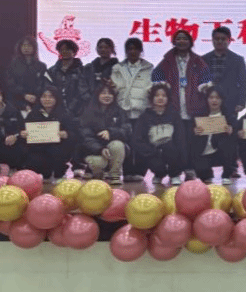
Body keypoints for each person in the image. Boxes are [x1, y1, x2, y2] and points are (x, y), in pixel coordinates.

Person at [111, 38, 154, 181]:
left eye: (136, 48)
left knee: (141, 143)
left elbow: (153, 88)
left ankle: (140, 172)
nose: (133, 51)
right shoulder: (117, 68)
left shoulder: (149, 68)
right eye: (129, 49)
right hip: (123, 112)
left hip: (142, 111)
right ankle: (127, 172)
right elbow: (114, 88)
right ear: (126, 51)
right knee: (125, 143)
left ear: (141, 51)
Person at [132, 85, 188, 187]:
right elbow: (138, 140)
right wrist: (153, 151)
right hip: (153, 151)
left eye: (164, 95)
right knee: (155, 162)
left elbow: (181, 139)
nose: (160, 98)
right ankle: (159, 174)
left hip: (171, 150)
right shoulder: (144, 117)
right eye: (157, 95)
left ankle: (175, 175)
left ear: (168, 98)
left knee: (170, 147)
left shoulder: (175, 116)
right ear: (152, 98)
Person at [152, 30, 213, 121]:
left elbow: (206, 79)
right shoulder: (168, 60)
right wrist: (164, 86)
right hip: (173, 108)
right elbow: (155, 76)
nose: (181, 41)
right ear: (174, 42)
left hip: (195, 108)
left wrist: (203, 87)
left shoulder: (198, 60)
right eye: (178, 39)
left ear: (190, 42)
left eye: (185, 39)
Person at [79, 83, 132, 185]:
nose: (107, 96)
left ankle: (115, 175)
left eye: (110, 93)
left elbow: (127, 131)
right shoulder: (88, 112)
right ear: (97, 95)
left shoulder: (120, 111)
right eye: (103, 93)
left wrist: (111, 132)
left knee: (118, 145)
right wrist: (100, 149)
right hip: (95, 151)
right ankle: (96, 172)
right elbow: (86, 137)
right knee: (98, 164)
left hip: (113, 148)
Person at [22, 86, 78, 181]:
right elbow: (23, 130)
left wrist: (66, 134)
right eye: (44, 96)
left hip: (58, 148)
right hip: (38, 149)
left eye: (51, 96)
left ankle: (59, 173)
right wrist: (23, 134)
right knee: (33, 160)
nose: (47, 99)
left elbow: (75, 134)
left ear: (56, 98)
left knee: (57, 153)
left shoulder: (65, 114)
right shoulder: (33, 114)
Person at [189, 87, 237, 185]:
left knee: (228, 144)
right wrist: (194, 131)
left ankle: (226, 174)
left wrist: (231, 131)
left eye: (217, 98)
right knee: (203, 175)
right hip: (204, 151)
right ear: (207, 99)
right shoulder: (198, 115)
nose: (214, 100)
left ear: (222, 100)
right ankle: (207, 173)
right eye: (211, 97)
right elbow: (189, 135)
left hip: (221, 152)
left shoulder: (229, 116)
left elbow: (237, 136)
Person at [203, 26, 246, 115]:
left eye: (223, 39)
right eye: (217, 39)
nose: (220, 41)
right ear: (212, 40)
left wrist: (241, 102)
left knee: (230, 124)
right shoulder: (204, 59)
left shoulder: (238, 60)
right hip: (208, 103)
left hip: (231, 103)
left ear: (229, 40)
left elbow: (243, 83)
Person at [44, 39, 88, 117]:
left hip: (78, 110)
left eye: (68, 49)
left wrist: (72, 108)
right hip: (56, 110)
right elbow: (48, 89)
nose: (64, 52)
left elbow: (83, 92)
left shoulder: (82, 71)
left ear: (74, 52)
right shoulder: (52, 71)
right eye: (62, 50)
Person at [5, 36, 47, 115]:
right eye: (24, 45)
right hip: (16, 101)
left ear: (34, 48)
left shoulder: (41, 66)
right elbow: (10, 84)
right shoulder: (13, 65)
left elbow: (43, 84)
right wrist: (24, 95)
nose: (26, 48)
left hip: (36, 101)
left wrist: (36, 97)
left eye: (29, 45)